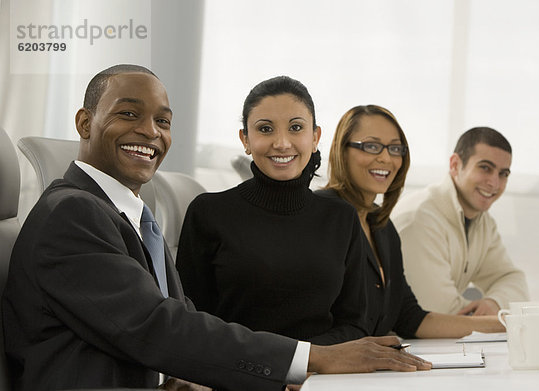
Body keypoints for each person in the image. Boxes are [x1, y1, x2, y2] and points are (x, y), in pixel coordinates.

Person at [1, 65, 431, 391]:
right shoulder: (72, 213)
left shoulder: (123, 215)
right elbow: (158, 326)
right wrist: (313, 357)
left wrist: (181, 377)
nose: (149, 132)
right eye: (129, 114)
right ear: (83, 124)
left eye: (163, 121)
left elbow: (170, 319)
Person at [177, 76, 368, 346]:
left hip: (319, 377)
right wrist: (279, 365)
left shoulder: (340, 218)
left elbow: (355, 325)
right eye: (265, 129)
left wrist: (306, 362)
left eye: (296, 128)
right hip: (238, 376)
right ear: (245, 139)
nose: (281, 143)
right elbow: (192, 323)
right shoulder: (208, 213)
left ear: (315, 137)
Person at [322, 104, 504, 338]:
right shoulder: (323, 216)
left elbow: (411, 318)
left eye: (395, 149)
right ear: (341, 150)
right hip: (324, 371)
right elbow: (308, 324)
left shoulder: (382, 225)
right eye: (372, 146)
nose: (386, 158)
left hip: (368, 370)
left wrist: (507, 323)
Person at [393, 126, 529, 315]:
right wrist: (491, 317)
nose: (494, 183)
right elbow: (437, 312)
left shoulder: (483, 222)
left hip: (440, 341)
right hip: (399, 342)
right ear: (455, 165)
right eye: (485, 168)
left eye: (503, 174)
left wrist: (495, 303)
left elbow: (511, 279)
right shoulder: (419, 219)